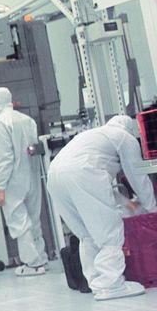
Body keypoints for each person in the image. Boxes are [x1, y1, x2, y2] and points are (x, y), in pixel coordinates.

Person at [46, 115, 156, 301]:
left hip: (55, 176)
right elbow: (137, 176)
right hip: (83, 174)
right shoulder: (125, 137)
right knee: (110, 233)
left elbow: (99, 186)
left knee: (86, 234)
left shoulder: (95, 135)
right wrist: (152, 208)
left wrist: (128, 204)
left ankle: (96, 281)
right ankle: (112, 285)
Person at [0, 87, 49, 276]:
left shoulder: (0, 124)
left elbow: (4, 159)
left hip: (13, 180)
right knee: (34, 219)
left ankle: (32, 264)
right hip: (32, 175)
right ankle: (41, 258)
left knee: (19, 222)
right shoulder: (27, 120)